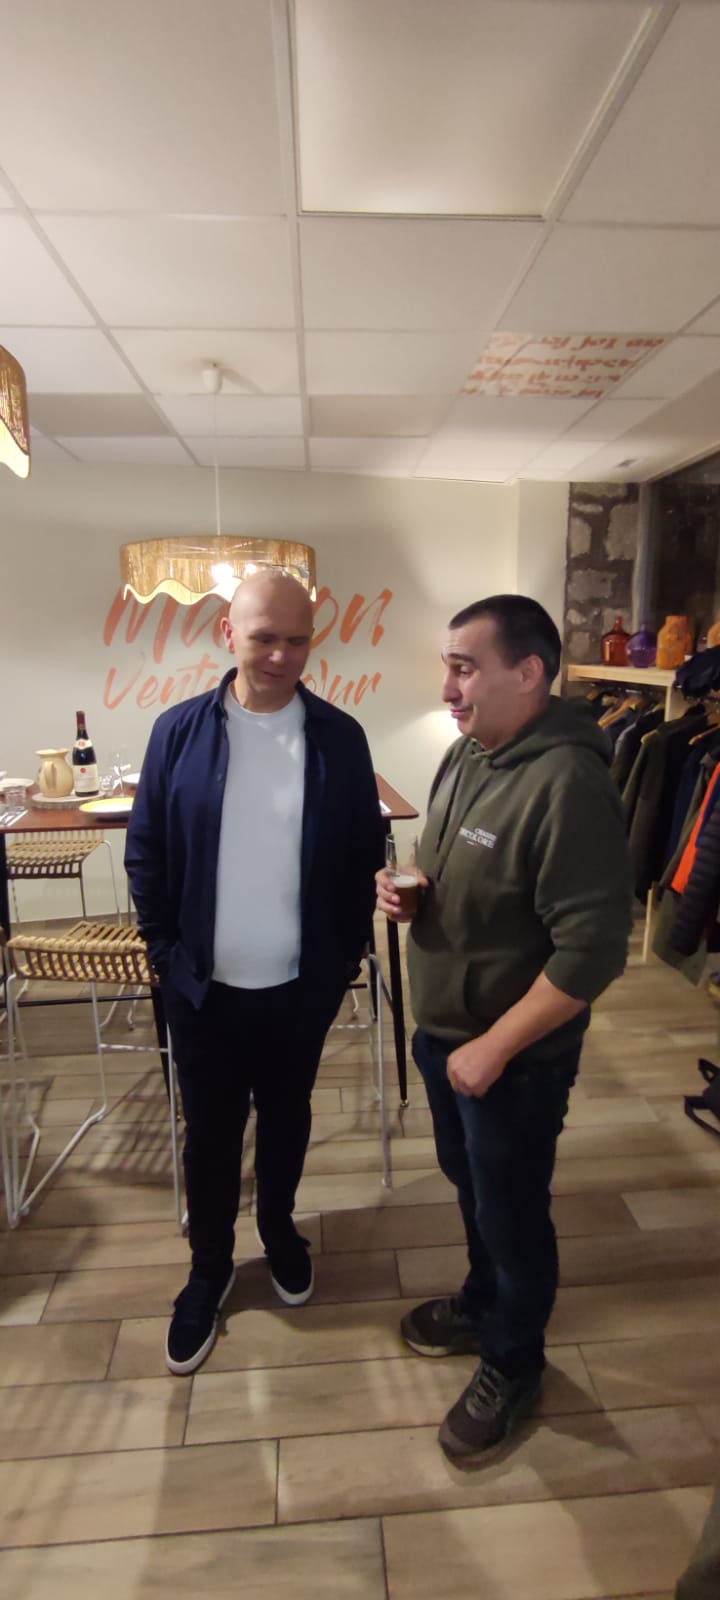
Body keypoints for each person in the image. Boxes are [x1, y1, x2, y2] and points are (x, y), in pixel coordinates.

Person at [376, 594, 633, 1460]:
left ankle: (514, 1362)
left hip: (511, 1059)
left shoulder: (569, 784)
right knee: (471, 1185)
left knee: (515, 1210)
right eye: (447, 666)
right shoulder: (466, 756)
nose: (447, 687)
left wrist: (494, 1047)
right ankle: (484, 1300)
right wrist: (413, 892)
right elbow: (454, 867)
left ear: (528, 673)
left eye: (464, 667)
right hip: (448, 1038)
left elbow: (592, 951)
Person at [126, 571, 384, 1376]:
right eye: (264, 637)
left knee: (287, 1115)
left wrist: (343, 958)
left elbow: (361, 855)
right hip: (201, 986)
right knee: (209, 1133)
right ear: (228, 635)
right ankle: (208, 1268)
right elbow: (146, 850)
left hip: (301, 986)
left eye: (297, 640)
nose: (280, 654)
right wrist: (163, 953)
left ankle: (278, 1229)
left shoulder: (340, 738)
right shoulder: (177, 732)